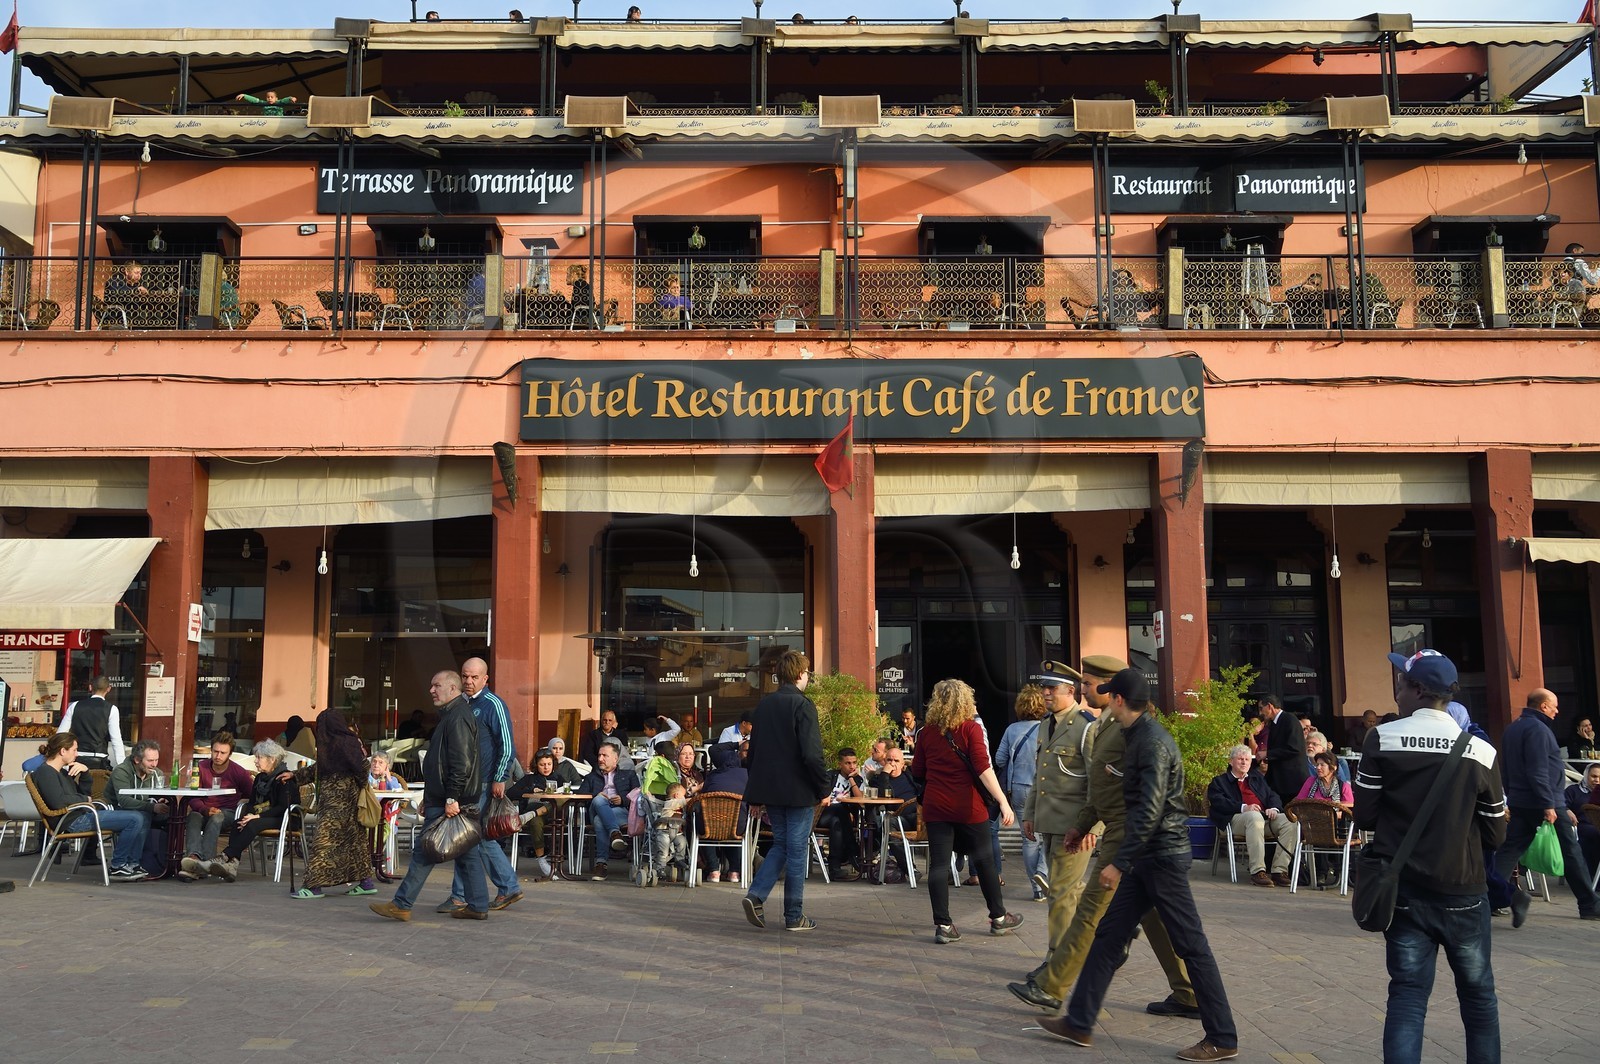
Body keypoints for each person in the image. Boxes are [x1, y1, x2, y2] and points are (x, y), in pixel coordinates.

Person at [1039, 669, 1238, 1062]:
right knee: (1110, 935)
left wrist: (1118, 862)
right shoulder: (1137, 735)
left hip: (1161, 857)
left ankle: (1223, 1036)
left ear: (1117, 701)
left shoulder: (1150, 743)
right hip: (1146, 858)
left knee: (1192, 946)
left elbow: (1149, 811)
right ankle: (1079, 1022)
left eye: (1109, 695)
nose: (1105, 700)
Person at [1011, 656, 1198, 1019]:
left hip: (1128, 835)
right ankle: (1189, 992)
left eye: (1088, 683)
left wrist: (1102, 834)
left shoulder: (1123, 727)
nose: (1083, 690)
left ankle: (1051, 988)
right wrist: (1083, 823)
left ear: (1113, 688)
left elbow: (1142, 789)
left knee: (1088, 912)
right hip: (1121, 832)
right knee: (1155, 917)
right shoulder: (1106, 724)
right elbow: (1102, 785)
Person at [1355, 650, 1506, 1064]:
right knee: (1478, 998)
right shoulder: (1481, 752)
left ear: (1418, 689)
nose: (1396, 690)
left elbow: (1365, 815)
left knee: (1407, 996)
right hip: (1465, 893)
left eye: (1400, 683)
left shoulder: (1381, 739)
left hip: (1404, 891)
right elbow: (1496, 833)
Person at [910, 678, 1021, 945]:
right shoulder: (971, 729)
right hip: (969, 806)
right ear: (966, 701)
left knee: (937, 864)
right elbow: (984, 768)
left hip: (936, 805)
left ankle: (944, 925)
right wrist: (1003, 802)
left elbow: (917, 771)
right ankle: (998, 917)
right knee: (984, 862)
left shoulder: (925, 733)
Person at [372, 671, 489, 920]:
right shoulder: (453, 716)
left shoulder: (457, 717)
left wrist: (450, 798)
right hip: (448, 798)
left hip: (452, 800)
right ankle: (478, 905)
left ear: (453, 688)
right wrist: (431, 796)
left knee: (424, 852)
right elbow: (445, 763)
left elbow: (461, 763)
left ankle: (402, 904)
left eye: (437, 685)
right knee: (467, 855)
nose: (431, 690)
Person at [739, 649, 829, 932]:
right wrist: (823, 787)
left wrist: (755, 794)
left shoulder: (764, 706)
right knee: (797, 850)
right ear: (801, 675)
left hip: (771, 790)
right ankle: (793, 915)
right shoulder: (803, 705)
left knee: (782, 845)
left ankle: (756, 895)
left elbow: (754, 753)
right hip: (799, 790)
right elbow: (812, 755)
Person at [1493, 687, 1599, 925]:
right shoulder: (1539, 730)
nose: (1557, 711)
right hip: (1546, 801)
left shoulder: (1512, 729)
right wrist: (1548, 804)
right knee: (1571, 851)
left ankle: (1492, 897)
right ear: (1543, 706)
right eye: (1554, 706)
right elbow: (1538, 770)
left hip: (1521, 801)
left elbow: (1506, 768)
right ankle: (1589, 903)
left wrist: (1513, 795)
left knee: (1510, 851)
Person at [1022, 660, 1099, 962]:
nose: (1045, 693)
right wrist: (1030, 813)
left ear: (1071, 690)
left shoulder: (1085, 727)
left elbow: (1097, 781)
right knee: (1070, 891)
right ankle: (1108, 939)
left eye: (1051, 688)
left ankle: (1057, 961)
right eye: (1043, 688)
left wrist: (1093, 827)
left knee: (1061, 892)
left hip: (1075, 826)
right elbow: (1039, 776)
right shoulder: (1045, 725)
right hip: (1050, 822)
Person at [437, 657, 522, 913]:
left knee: (475, 838)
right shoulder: (459, 705)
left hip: (485, 782)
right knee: (467, 838)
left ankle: (503, 888)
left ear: (486, 679)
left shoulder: (493, 704)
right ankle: (464, 894)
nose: (469, 681)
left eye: (474, 677)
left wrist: (500, 777)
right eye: (465, 676)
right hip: (466, 785)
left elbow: (507, 745)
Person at [30, 732, 150, 881]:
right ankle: (118, 866)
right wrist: (84, 799)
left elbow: (82, 794)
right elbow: (58, 802)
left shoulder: (61, 772)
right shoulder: (46, 773)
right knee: (135, 818)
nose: (77, 753)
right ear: (63, 751)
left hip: (80, 814)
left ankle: (132, 863)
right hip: (69, 821)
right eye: (74, 749)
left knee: (143, 816)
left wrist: (85, 773)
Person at [289, 708, 378, 899]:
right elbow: (357, 766)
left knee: (324, 841)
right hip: (350, 798)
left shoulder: (335, 743)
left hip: (335, 802)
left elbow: (360, 767)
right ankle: (366, 882)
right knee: (356, 841)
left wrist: (295, 777)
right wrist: (294, 776)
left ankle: (313, 886)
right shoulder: (347, 741)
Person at [203, 740, 302, 883]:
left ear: (272, 759)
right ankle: (232, 865)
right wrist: (248, 815)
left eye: (259, 757)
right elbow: (252, 802)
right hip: (264, 817)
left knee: (253, 824)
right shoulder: (260, 778)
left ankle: (225, 856)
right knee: (239, 822)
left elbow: (282, 807)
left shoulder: (284, 778)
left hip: (287, 818)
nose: (255, 761)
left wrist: (257, 816)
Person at [1206, 745, 1298, 888]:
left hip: (1262, 819)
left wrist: (1273, 808)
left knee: (1290, 821)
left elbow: (1272, 795)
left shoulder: (1256, 778)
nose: (1244, 762)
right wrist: (1243, 807)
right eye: (1240, 759)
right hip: (1234, 820)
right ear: (1231, 761)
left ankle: (1279, 871)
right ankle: (1258, 871)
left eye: (1247, 759)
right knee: (1254, 817)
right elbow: (1219, 803)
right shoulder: (1220, 781)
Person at [176, 731, 255, 879]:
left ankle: (206, 862)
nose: (218, 756)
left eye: (223, 753)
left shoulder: (239, 772)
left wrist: (242, 803)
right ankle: (193, 858)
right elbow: (191, 796)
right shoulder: (200, 767)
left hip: (228, 812)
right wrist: (204, 809)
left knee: (217, 818)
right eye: (215, 751)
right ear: (211, 750)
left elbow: (252, 795)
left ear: (230, 754)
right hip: (203, 808)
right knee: (193, 817)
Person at [994, 684, 1047, 900]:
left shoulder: (1011, 730)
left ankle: (1037, 888)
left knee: (1029, 839)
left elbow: (999, 759)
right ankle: (1042, 875)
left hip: (1018, 787)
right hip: (1044, 787)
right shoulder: (1047, 728)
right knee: (1049, 836)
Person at [103, 739, 172, 875]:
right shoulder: (122, 771)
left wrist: (161, 801)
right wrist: (152, 807)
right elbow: (124, 801)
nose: (154, 764)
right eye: (150, 761)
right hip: (115, 810)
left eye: (156, 760)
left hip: (142, 809)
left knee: (174, 818)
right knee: (142, 816)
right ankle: (130, 863)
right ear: (137, 760)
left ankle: (166, 863)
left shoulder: (157, 773)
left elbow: (159, 795)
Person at [577, 742, 639, 880]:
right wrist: (596, 796)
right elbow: (580, 796)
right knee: (599, 801)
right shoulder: (591, 777)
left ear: (615, 759)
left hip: (620, 811)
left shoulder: (628, 775)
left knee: (600, 820)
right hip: (596, 809)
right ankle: (615, 833)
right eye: (599, 755)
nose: (600, 759)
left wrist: (623, 799)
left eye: (605, 755)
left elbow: (637, 795)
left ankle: (601, 864)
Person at [700, 740, 748, 883]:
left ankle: (714, 871)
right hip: (738, 827)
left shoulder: (713, 776)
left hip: (710, 825)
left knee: (702, 822)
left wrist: (737, 744)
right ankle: (734, 872)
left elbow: (703, 795)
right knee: (738, 829)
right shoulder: (750, 776)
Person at [817, 747, 866, 880]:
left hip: (841, 820)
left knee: (837, 823)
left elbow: (860, 801)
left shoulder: (858, 780)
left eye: (854, 763)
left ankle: (835, 869)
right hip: (823, 814)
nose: (852, 766)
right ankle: (853, 851)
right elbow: (821, 798)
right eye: (847, 763)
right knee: (840, 807)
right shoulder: (829, 776)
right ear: (840, 764)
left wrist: (852, 780)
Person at [58, 676, 124, 766]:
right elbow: (116, 739)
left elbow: (61, 734)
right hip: (99, 757)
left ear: (90, 687)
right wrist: (122, 764)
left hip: (76, 757)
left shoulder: (74, 706)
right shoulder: (112, 709)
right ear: (108, 689)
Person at [1258, 694, 1309, 810]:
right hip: (1279, 781)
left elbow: (1294, 748)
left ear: (1270, 706)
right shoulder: (1276, 723)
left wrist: (1268, 754)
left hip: (1292, 781)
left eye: (1261, 708)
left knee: (1292, 816)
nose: (1260, 713)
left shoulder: (1289, 720)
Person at [650, 781, 691, 883]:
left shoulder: (679, 805)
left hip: (677, 832)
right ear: (677, 795)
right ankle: (660, 868)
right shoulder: (670, 803)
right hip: (664, 831)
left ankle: (679, 860)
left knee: (682, 842)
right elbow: (683, 802)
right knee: (663, 849)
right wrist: (692, 799)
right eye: (683, 795)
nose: (684, 797)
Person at [1565, 762, 1600, 875]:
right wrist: (1567, 810)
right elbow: (1559, 804)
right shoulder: (1573, 790)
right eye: (1594, 776)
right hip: (1581, 826)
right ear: (1586, 776)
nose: (1597, 780)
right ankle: (1592, 878)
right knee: (1594, 835)